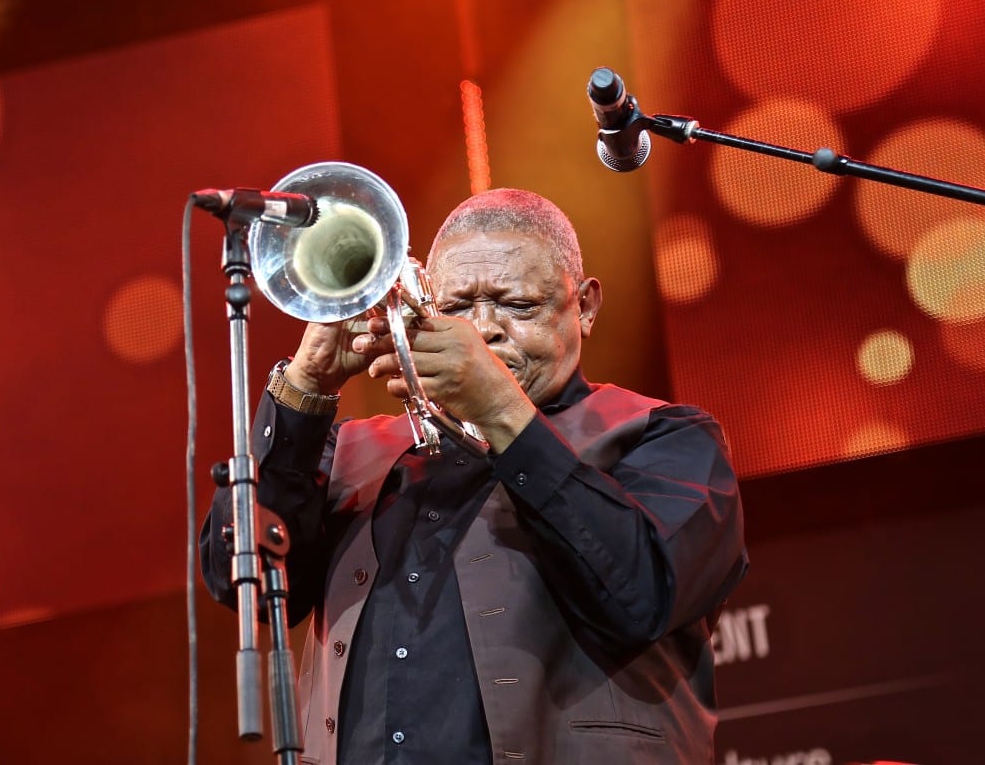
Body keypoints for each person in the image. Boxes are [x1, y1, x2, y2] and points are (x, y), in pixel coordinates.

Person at [202, 188, 748, 764]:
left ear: (584, 307)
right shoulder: (350, 450)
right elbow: (242, 584)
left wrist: (502, 414)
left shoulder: (666, 438)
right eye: (457, 308)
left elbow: (643, 597)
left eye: (518, 306)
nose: (481, 332)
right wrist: (306, 389)